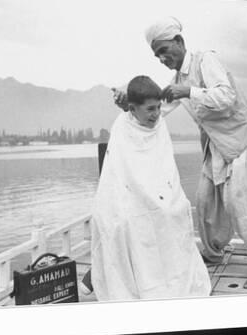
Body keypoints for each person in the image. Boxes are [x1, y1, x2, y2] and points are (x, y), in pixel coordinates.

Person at [114, 16, 247, 289]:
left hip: (243, 139)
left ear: (179, 42)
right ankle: (213, 252)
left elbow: (226, 96)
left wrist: (189, 91)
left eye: (165, 51)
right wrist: (128, 104)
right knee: (205, 201)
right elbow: (156, 112)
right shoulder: (177, 80)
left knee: (245, 203)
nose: (162, 59)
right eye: (157, 56)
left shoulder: (205, 61)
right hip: (217, 146)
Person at [89, 75, 211, 301]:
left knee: (175, 211)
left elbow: (164, 169)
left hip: (160, 195)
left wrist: (162, 199)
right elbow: (119, 174)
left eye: (158, 108)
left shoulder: (159, 124)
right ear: (132, 109)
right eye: (150, 109)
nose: (156, 114)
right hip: (129, 198)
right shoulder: (122, 127)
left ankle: (169, 278)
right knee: (125, 222)